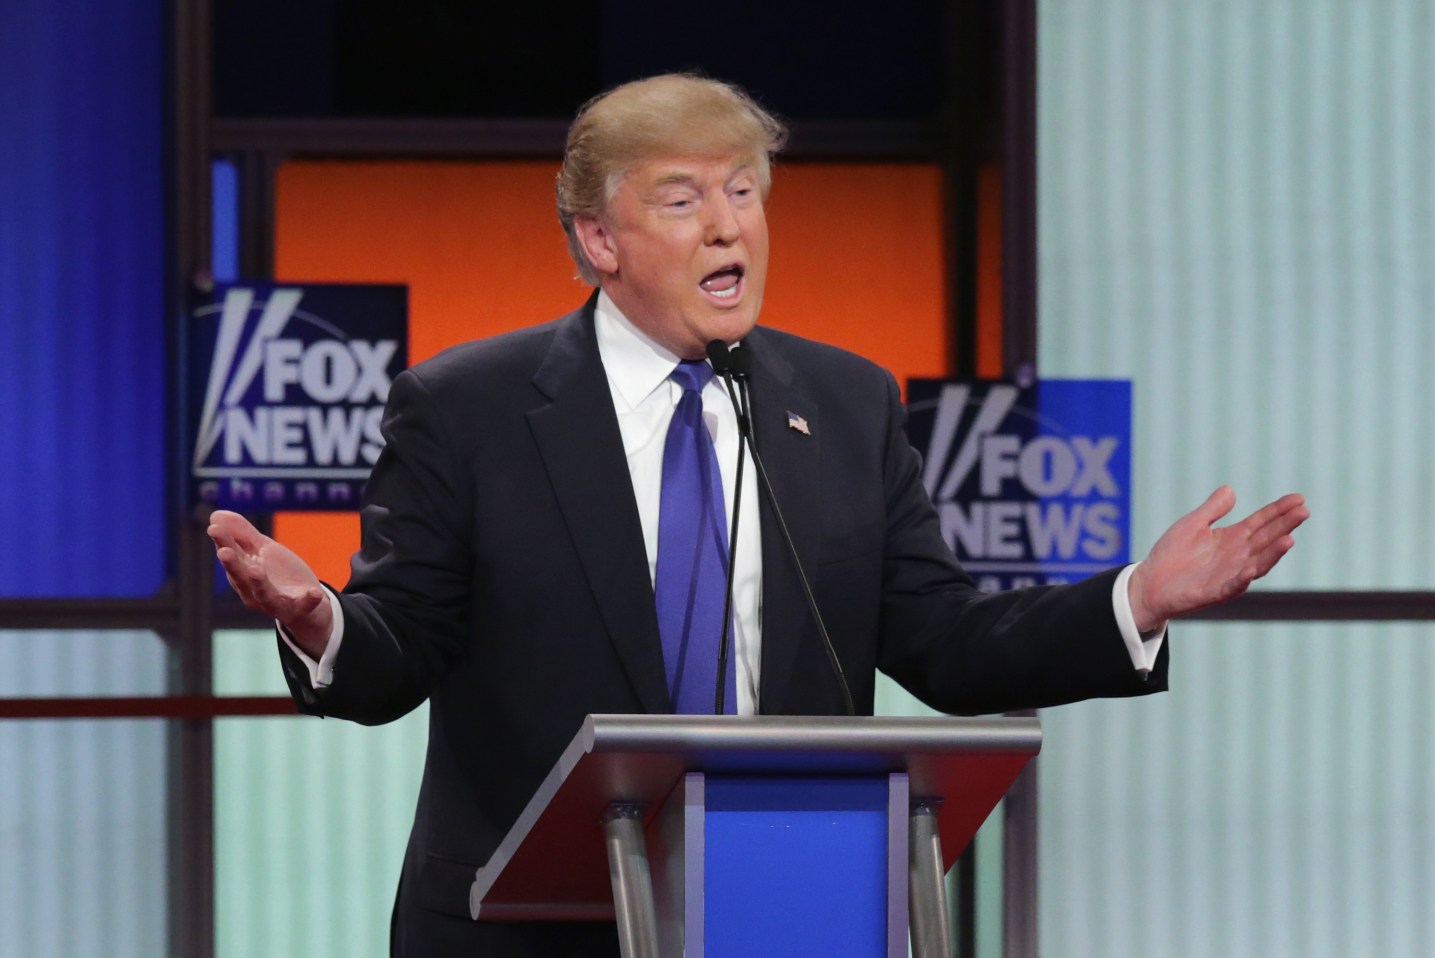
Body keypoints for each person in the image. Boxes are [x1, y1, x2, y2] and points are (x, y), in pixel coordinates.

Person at [208, 73, 1308, 957]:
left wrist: (1132, 601)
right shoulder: (468, 409)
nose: (728, 226)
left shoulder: (845, 402)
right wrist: (321, 622)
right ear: (601, 240)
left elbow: (942, 639)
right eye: (682, 200)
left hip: (786, 912)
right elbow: (400, 647)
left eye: (745, 191)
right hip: (528, 930)